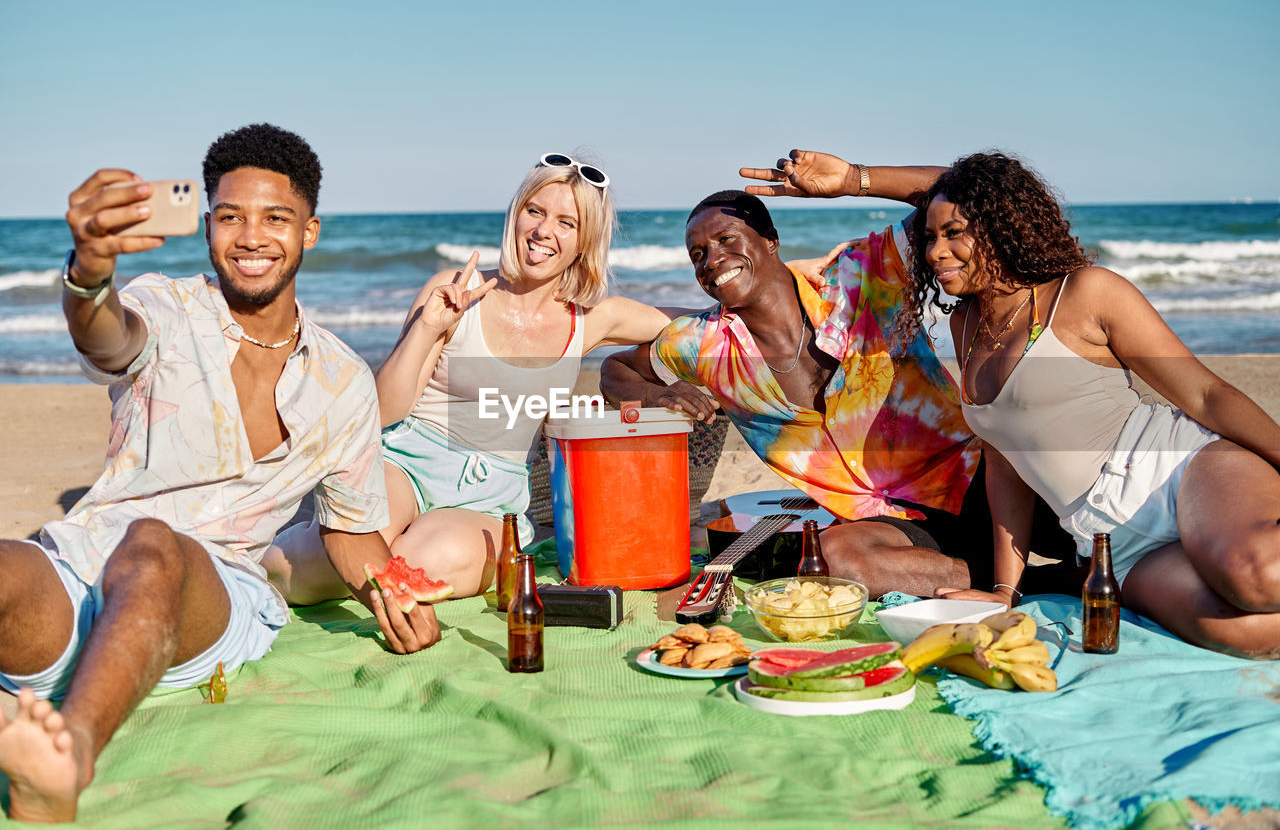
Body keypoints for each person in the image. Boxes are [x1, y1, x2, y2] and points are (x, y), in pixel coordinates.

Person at [0, 124, 437, 823]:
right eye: (231, 216)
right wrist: (88, 272)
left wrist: (396, 596)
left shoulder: (343, 380)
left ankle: (68, 758)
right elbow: (107, 336)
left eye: (276, 217)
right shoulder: (165, 308)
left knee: (153, 542)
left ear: (311, 231)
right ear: (206, 225)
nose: (251, 236)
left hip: (211, 596)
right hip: (82, 567)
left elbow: (352, 531)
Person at [601, 150, 1081, 598]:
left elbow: (967, 193)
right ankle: (1038, 585)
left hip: (982, 476)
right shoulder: (701, 344)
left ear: (770, 242)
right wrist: (657, 395)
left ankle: (1046, 568)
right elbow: (614, 369)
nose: (712, 260)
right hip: (892, 520)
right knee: (839, 560)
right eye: (698, 254)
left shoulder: (862, 275)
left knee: (1112, 543)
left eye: (726, 239)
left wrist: (855, 180)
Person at [899, 151, 1280, 659]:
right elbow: (1004, 465)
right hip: (1106, 539)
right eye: (930, 237)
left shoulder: (1086, 293)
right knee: (1240, 633)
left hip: (1178, 469)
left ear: (1001, 228)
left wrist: (856, 181)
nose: (935, 252)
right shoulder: (963, 327)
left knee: (1258, 578)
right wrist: (1002, 592)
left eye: (955, 233)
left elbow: (1205, 393)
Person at [271, 153, 687, 602]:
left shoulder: (592, 320)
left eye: (567, 222)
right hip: (405, 462)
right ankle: (250, 563)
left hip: (491, 496)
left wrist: (765, 275)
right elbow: (386, 409)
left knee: (423, 562)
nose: (544, 231)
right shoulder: (453, 291)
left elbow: (705, 326)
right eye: (535, 211)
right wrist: (428, 328)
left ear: (585, 240)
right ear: (516, 213)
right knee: (329, 567)